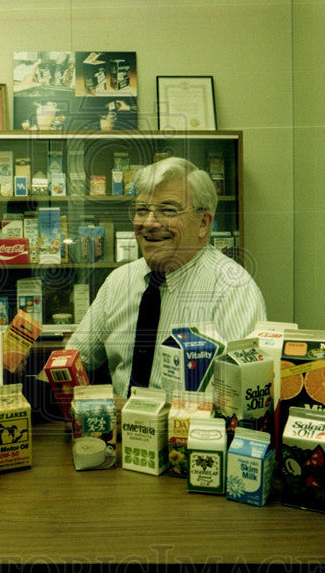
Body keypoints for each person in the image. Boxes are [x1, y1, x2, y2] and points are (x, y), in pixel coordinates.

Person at [66, 157, 267, 397]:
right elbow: (74, 359)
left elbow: (239, 398)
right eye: (142, 210)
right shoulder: (119, 281)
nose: (149, 223)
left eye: (168, 210)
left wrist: (142, 415)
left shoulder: (233, 289)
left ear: (203, 223)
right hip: (116, 431)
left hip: (192, 433)